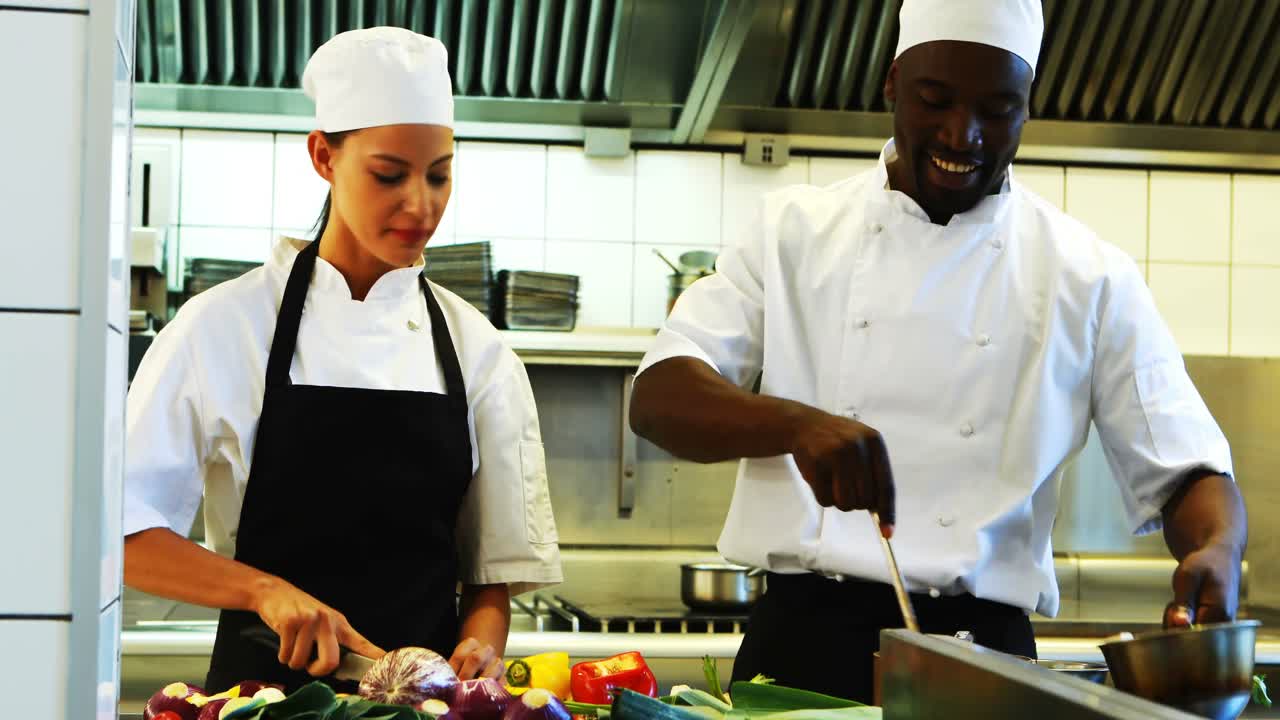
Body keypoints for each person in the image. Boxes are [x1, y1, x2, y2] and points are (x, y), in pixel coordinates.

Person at [628, 0, 1245, 703]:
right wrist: (795, 425)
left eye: (998, 108)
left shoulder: (1087, 273)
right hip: (799, 653)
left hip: (984, 662)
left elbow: (1191, 467)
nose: (965, 134)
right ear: (893, 83)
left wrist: (1217, 547)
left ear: (1027, 108)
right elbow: (659, 399)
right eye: (936, 99)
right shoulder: (793, 231)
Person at [122, 27, 562, 692]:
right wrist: (264, 591)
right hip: (258, 705)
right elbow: (120, 535)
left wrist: (479, 647)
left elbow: (490, 576)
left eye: (439, 175)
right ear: (324, 157)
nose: (421, 205)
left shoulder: (480, 351)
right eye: (389, 175)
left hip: (421, 709)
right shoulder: (221, 327)